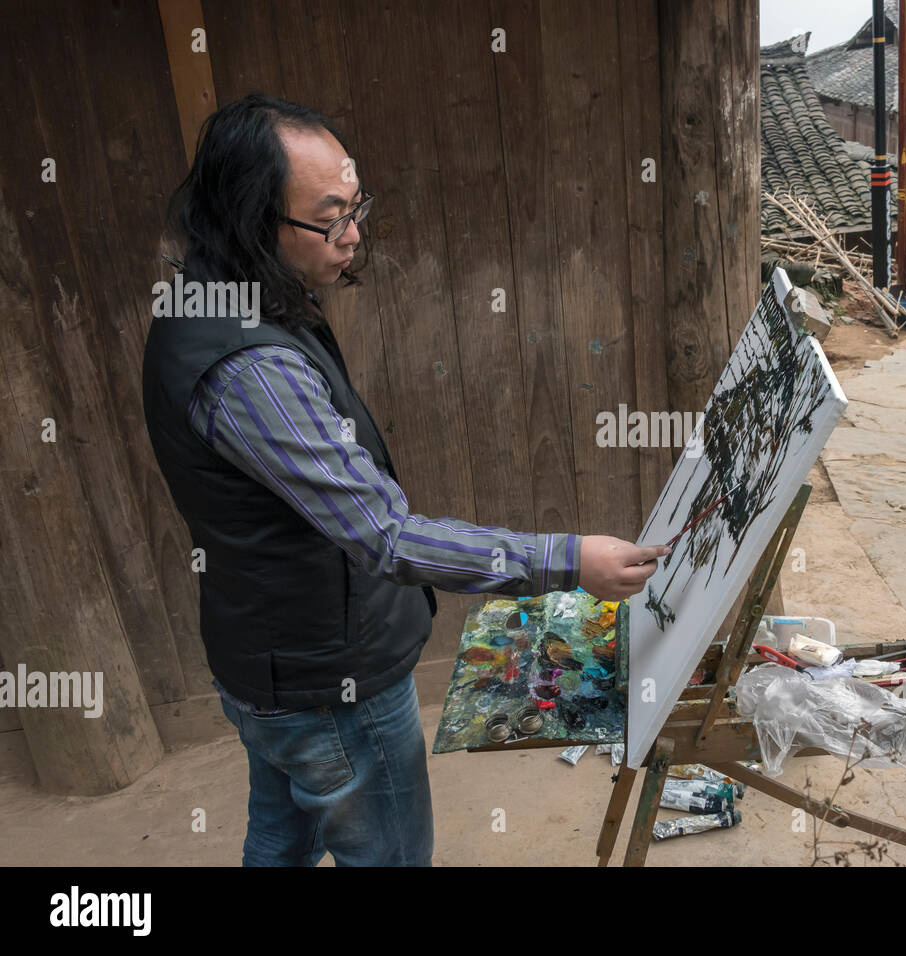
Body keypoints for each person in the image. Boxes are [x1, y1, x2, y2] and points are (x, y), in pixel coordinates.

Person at [141, 93, 669, 866]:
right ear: (252, 219)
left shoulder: (221, 290)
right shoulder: (248, 365)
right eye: (330, 219)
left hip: (271, 662)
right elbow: (385, 535)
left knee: (280, 834)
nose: (353, 234)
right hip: (328, 686)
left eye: (357, 207)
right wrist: (566, 561)